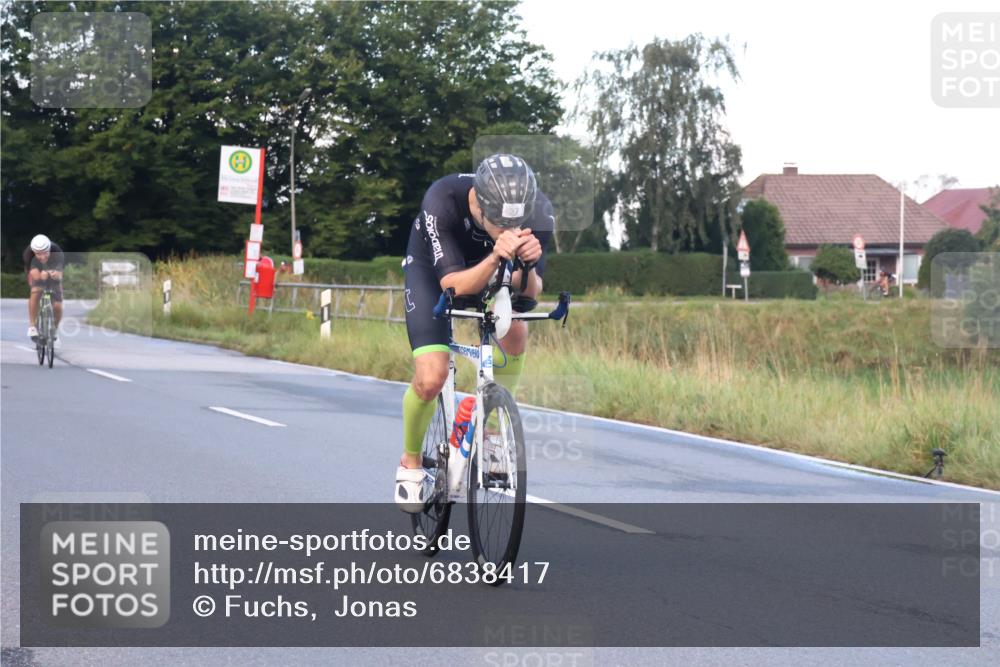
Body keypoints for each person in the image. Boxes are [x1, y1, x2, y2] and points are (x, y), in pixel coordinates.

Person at [395, 154, 554, 512]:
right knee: (431, 376)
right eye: (499, 222)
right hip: (435, 270)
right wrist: (498, 257)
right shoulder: (443, 201)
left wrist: (527, 265)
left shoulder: (539, 210)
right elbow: (454, 286)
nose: (507, 229)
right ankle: (410, 461)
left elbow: (531, 292)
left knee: (516, 332)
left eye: (516, 223)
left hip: (493, 266)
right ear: (479, 204)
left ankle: (493, 430)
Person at [23, 234, 65, 339]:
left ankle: (54, 329)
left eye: (45, 253)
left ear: (49, 249)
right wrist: (41, 275)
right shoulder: (28, 254)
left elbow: (60, 274)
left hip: (53, 268)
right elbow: (34, 275)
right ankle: (32, 326)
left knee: (58, 306)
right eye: (38, 254)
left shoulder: (57, 251)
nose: (42, 257)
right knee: (36, 291)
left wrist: (55, 274)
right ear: (34, 252)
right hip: (36, 269)